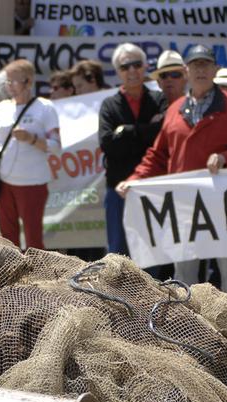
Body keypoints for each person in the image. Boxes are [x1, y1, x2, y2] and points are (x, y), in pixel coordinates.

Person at [117, 44, 227, 312]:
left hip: (223, 207)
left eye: (205, 65)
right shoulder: (175, 111)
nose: (200, 70)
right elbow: (158, 154)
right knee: (184, 272)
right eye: (195, 65)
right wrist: (135, 178)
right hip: (185, 207)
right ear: (186, 71)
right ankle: (188, 331)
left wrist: (226, 157)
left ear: (215, 70)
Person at [0, 59, 61, 250]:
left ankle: (37, 277)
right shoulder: (3, 107)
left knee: (33, 240)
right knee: (8, 238)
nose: (9, 86)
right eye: (7, 81)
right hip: (4, 183)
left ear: (29, 82)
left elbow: (56, 146)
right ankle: (13, 276)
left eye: (14, 81)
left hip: (32, 183)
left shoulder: (45, 108)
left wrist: (32, 139)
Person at [98, 43, 165, 256]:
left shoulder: (159, 99)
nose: (132, 71)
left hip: (152, 185)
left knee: (151, 252)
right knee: (118, 254)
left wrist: (126, 131)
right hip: (118, 188)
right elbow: (107, 144)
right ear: (118, 71)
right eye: (125, 66)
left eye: (137, 64)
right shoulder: (109, 105)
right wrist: (146, 131)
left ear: (145, 66)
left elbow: (162, 138)